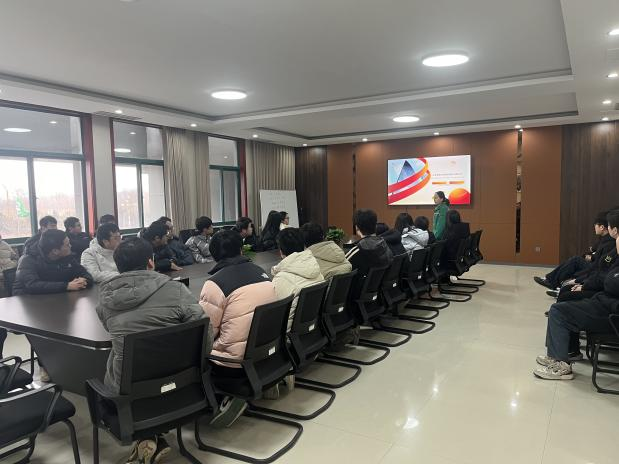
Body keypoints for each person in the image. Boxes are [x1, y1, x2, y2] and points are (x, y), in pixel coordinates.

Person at [97, 237, 209, 462]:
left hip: (129, 390)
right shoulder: (176, 289)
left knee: (116, 358)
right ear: (151, 262)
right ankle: (153, 435)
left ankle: (148, 436)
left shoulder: (105, 301)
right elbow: (204, 333)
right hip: (183, 381)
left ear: (118, 267)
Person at [199, 229, 276, 425]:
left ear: (214, 255)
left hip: (234, 363)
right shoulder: (261, 273)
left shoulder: (215, 283)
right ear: (241, 250)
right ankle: (266, 379)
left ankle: (230, 397)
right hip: (267, 351)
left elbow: (206, 332)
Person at [534, 231, 619, 381]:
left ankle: (563, 366)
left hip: (610, 315)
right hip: (602, 304)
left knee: (558, 311)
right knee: (562, 306)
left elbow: (607, 284)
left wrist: (590, 289)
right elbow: (604, 279)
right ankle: (556, 356)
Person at [552, 211, 619, 303]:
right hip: (598, 281)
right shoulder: (611, 246)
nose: (607, 228)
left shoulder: (610, 244)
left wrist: (583, 284)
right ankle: (552, 281)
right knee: (566, 289)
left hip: (604, 291)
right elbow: (600, 266)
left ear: (614, 230)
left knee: (565, 294)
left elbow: (604, 274)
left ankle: (553, 282)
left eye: (608, 226)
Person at [534, 211, 613, 290]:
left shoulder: (608, 241)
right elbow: (596, 251)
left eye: (595, 225)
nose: (594, 227)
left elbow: (601, 260)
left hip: (595, 268)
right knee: (574, 260)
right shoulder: (604, 239)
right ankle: (550, 280)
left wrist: (592, 257)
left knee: (576, 260)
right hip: (594, 264)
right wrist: (591, 255)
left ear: (602, 227)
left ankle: (551, 281)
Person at [272, 228, 324, 330]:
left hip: (288, 332)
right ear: (303, 246)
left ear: (281, 251)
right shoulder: (316, 268)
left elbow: (276, 311)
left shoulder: (281, 278)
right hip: (313, 326)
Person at [13, 229, 93, 295]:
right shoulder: (28, 260)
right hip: (29, 301)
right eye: (67, 245)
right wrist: (66, 286)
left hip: (58, 298)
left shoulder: (67, 257)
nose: (71, 246)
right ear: (55, 251)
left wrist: (83, 281)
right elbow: (32, 285)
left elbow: (84, 273)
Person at [0, 234, 18, 354]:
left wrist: (10, 267)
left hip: (6, 281)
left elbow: (15, 258)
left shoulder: (5, 245)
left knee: (2, 331)